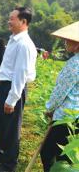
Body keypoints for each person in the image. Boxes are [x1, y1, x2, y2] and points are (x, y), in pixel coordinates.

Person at [0, 7, 37, 172]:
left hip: (15, 87)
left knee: (11, 128)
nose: (9, 21)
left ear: (23, 22)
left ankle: (9, 165)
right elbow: (7, 67)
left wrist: (12, 99)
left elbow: (20, 74)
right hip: (5, 85)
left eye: (12, 18)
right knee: (0, 124)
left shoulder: (24, 44)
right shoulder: (13, 40)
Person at [40, 21, 79, 172]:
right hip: (76, 116)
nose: (64, 42)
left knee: (49, 153)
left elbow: (60, 92)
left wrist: (49, 108)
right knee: (68, 156)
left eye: (67, 39)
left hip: (65, 117)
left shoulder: (74, 64)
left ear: (76, 44)